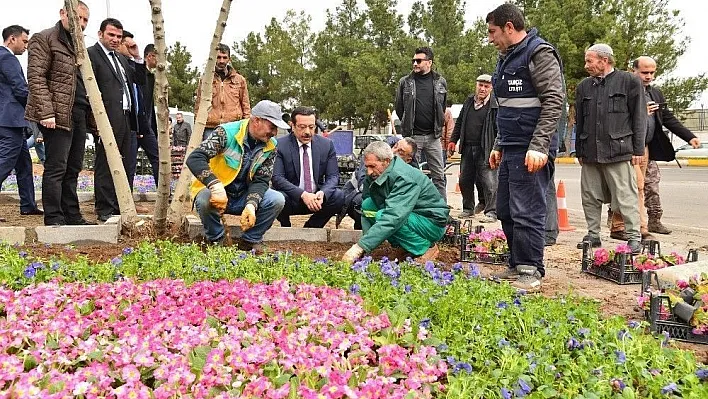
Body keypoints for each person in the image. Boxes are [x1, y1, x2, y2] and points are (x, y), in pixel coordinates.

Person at [485, 3, 564, 291]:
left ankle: (531, 270)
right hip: (511, 145)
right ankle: (517, 264)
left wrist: (540, 145)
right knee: (505, 209)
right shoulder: (506, 58)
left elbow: (555, 100)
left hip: (532, 148)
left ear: (509, 27)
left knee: (527, 210)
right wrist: (498, 144)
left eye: (493, 32)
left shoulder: (538, 53)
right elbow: (504, 108)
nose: (491, 38)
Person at [187, 100, 288, 252]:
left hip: (243, 195)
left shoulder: (271, 145)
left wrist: (251, 205)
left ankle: (249, 242)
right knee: (203, 199)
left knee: (276, 199)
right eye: (272, 127)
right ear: (256, 121)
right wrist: (214, 185)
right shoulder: (225, 133)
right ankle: (216, 241)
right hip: (218, 193)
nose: (274, 133)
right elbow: (195, 158)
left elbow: (261, 179)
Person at [26, 2, 93, 225]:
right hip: (56, 114)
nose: (81, 24)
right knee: (56, 167)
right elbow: (36, 78)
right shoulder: (44, 38)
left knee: (74, 168)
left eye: (85, 20)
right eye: (78, 18)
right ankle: (53, 216)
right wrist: (46, 113)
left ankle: (72, 215)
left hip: (79, 113)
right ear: (63, 13)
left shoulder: (80, 46)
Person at [616, 56, 700, 236]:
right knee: (633, 186)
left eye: (652, 72)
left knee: (647, 186)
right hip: (627, 147)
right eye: (644, 72)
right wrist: (641, 112)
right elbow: (616, 119)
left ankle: (647, 224)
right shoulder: (624, 92)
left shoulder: (655, 93)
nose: (648, 76)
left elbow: (667, 118)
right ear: (634, 71)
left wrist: (689, 136)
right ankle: (634, 228)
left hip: (647, 147)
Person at [575, 43, 646, 253]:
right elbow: (580, 121)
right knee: (590, 196)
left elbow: (639, 117)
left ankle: (634, 237)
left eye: (590, 60)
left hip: (619, 150)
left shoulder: (629, 82)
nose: (586, 65)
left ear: (604, 60)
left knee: (626, 196)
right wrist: (579, 150)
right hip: (590, 152)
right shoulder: (584, 87)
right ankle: (593, 234)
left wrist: (638, 150)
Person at [341, 141, 448, 263]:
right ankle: (404, 246)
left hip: (431, 222)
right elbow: (367, 201)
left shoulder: (404, 178)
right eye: (367, 167)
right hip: (410, 215)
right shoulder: (376, 174)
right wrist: (366, 247)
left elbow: (394, 216)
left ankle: (426, 248)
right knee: (367, 206)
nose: (369, 172)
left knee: (383, 216)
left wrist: (359, 247)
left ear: (386, 161)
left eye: (372, 166)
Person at [87, 18, 147, 221]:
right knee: (105, 164)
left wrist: (137, 56)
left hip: (126, 118)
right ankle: (104, 209)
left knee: (123, 164)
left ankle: (118, 205)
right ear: (101, 34)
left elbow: (139, 80)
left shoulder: (121, 58)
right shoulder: (91, 55)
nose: (114, 39)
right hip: (106, 118)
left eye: (118, 37)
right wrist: (94, 121)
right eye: (111, 35)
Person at [272, 106, 344, 228]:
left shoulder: (326, 145)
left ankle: (312, 227)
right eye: (302, 127)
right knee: (277, 197)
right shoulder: (280, 145)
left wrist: (323, 193)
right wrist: (303, 194)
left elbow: (333, 176)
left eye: (311, 127)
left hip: (316, 199)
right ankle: (286, 225)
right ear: (292, 126)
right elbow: (277, 178)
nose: (307, 132)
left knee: (338, 196)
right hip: (292, 198)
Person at [0, 25, 43, 217]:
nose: (26, 45)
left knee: (24, 165)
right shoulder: (7, 58)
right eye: (24, 41)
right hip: (10, 121)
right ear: (12, 39)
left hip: (10, 120)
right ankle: (28, 204)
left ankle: (28, 205)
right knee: (4, 163)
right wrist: (40, 108)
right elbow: (20, 89)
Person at [395, 46, 448, 200]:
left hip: (433, 137)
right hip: (412, 138)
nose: (415, 64)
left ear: (429, 62)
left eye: (418, 60)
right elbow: (399, 108)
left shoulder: (440, 82)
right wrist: (407, 126)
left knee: (439, 176)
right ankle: (409, 206)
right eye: (413, 60)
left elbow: (442, 107)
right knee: (408, 175)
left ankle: (441, 210)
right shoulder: (405, 82)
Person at [448, 74, 499, 223]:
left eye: (486, 86)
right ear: (476, 85)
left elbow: (499, 129)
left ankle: (491, 212)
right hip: (468, 148)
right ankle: (468, 209)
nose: (482, 89)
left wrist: (497, 148)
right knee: (465, 180)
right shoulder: (469, 101)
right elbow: (460, 123)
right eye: (480, 85)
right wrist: (453, 140)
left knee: (489, 182)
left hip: (486, 149)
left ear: (491, 88)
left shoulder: (495, 105)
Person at [339, 137, 419, 230]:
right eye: (395, 146)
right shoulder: (374, 155)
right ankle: (364, 230)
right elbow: (363, 184)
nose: (394, 151)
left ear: (408, 160)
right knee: (364, 204)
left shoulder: (411, 173)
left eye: (400, 152)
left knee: (392, 215)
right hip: (357, 192)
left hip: (395, 203)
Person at [118, 30, 159, 196]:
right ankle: (126, 198)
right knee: (130, 163)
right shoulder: (122, 69)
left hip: (145, 126)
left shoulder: (144, 73)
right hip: (130, 125)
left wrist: (148, 126)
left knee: (158, 158)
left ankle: (164, 193)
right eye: (128, 46)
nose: (131, 49)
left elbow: (146, 103)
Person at [195, 43, 251, 140]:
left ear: (229, 59)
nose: (221, 61)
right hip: (210, 128)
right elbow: (199, 104)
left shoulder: (239, 80)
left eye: (224, 57)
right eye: (219, 57)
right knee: (211, 155)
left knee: (232, 155)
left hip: (234, 127)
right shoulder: (206, 79)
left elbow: (245, 105)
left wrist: (247, 129)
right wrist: (197, 128)